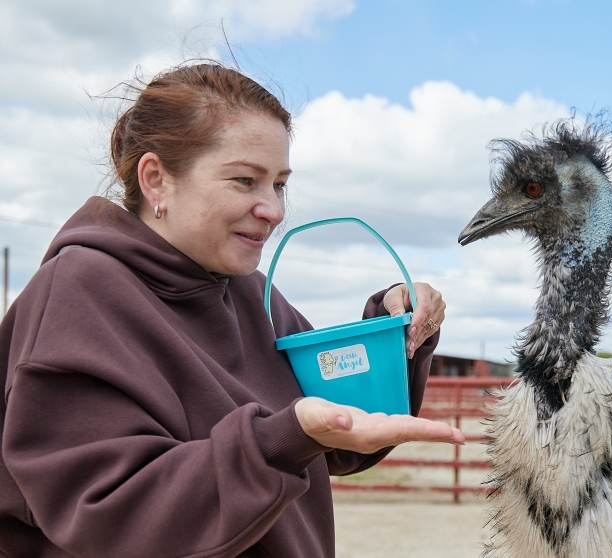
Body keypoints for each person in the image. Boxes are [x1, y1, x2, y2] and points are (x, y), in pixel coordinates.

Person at [0, 63, 463, 557]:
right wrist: (276, 442)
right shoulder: (81, 295)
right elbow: (112, 516)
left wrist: (393, 333)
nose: (275, 209)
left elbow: (341, 433)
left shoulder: (251, 293)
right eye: (246, 180)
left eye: (279, 184)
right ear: (156, 180)